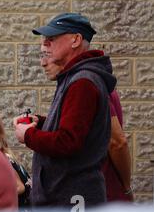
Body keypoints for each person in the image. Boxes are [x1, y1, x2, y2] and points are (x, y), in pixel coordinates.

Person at [13, 13, 117, 208]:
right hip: (67, 200)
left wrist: (28, 135)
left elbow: (68, 141)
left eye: (51, 39)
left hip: (73, 202)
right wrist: (41, 121)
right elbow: (76, 128)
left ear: (76, 40)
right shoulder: (75, 78)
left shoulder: (83, 82)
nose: (45, 46)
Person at [39, 51, 133, 202]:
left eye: (49, 55)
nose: (43, 62)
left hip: (104, 190)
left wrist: (127, 187)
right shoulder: (75, 85)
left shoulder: (86, 86)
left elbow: (116, 141)